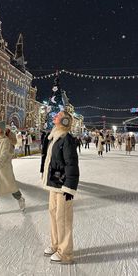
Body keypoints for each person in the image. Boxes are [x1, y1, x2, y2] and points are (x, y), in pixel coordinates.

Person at [40, 111, 79, 264]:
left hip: (63, 186)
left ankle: (65, 252)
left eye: (59, 115)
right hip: (54, 183)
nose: (55, 116)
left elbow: (72, 164)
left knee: (63, 218)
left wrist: (69, 187)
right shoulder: (54, 137)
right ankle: (56, 244)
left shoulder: (66, 139)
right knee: (54, 214)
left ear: (64, 121)